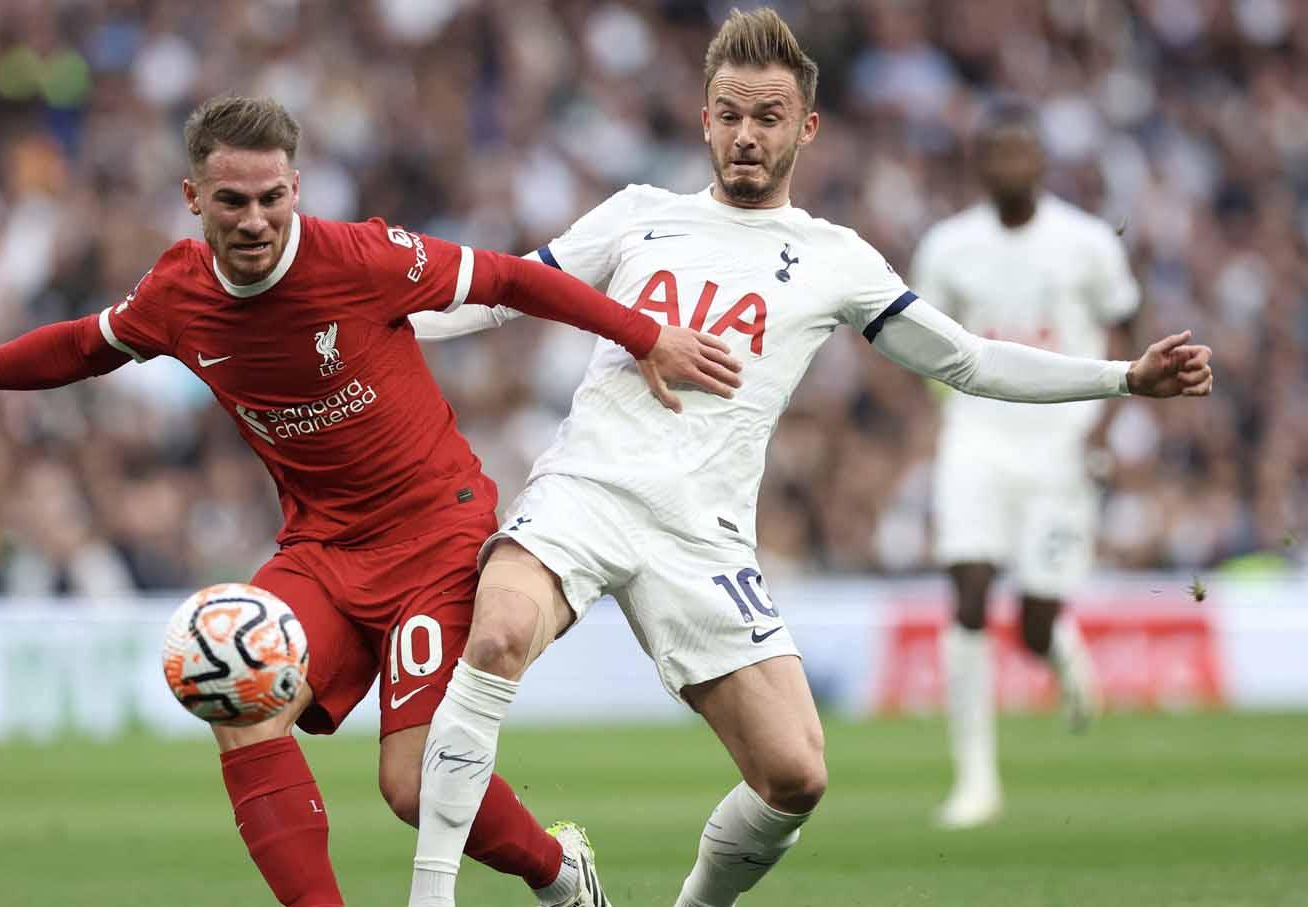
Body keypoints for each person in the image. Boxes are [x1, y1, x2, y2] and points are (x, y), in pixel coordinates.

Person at [402, 9, 1214, 907]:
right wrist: (365, 314)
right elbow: (502, 294)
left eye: (769, 117)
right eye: (730, 114)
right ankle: (432, 896)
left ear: (806, 127)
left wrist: (1123, 378)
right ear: (704, 117)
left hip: (702, 538)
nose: (747, 135)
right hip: (585, 489)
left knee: (795, 775)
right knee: (500, 633)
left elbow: (971, 360)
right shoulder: (638, 217)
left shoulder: (837, 259)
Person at [0, 94, 740, 907]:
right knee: (236, 692)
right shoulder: (179, 293)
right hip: (321, 548)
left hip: (434, 534)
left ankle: (559, 872)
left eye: (270, 198)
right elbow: (80, 346)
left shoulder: (359, 258)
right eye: (232, 201)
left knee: (410, 784)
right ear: (192, 198)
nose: (254, 220)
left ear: (297, 188)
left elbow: (510, 279)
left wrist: (647, 335)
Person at [911, 99, 1138, 830]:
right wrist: (942, 410)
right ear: (981, 162)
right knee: (969, 594)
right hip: (975, 436)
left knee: (1033, 622)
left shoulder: (1087, 242)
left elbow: (1125, 322)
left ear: (1041, 161)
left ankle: (1060, 649)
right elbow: (915, 335)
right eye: (996, 152)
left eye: (1021, 152)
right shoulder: (948, 246)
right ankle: (977, 780)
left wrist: (1102, 423)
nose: (1010, 165)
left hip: (1059, 444)